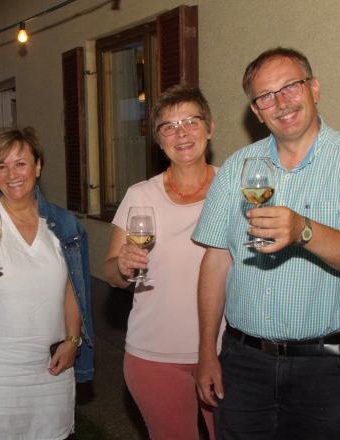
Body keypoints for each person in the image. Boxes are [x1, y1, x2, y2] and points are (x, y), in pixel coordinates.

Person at [191, 46, 340, 439]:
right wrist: (207, 351)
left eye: (290, 87)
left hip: (327, 365)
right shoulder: (236, 169)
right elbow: (216, 261)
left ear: (313, 88)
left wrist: (303, 231)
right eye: (266, 96)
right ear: (257, 111)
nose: (280, 103)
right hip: (244, 360)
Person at [0, 126, 94, 439]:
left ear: (37, 166)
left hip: (50, 363)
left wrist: (72, 341)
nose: (12, 174)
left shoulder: (63, 225)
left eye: (20, 163)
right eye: (1, 165)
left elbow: (73, 289)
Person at [99, 84, 218, 440]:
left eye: (190, 121)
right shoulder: (141, 195)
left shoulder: (234, 186)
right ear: (158, 140)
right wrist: (121, 265)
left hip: (225, 352)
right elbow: (110, 271)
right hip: (153, 355)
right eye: (168, 126)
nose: (181, 133)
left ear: (210, 128)